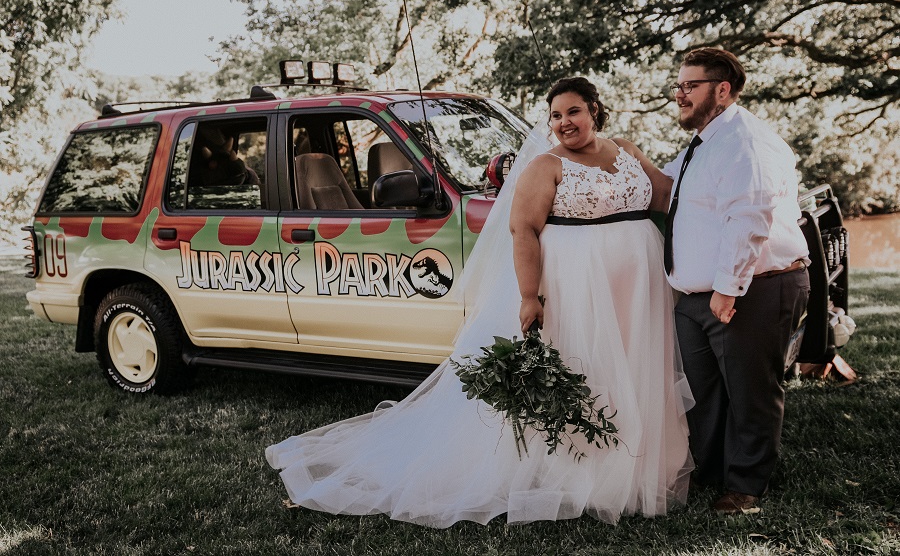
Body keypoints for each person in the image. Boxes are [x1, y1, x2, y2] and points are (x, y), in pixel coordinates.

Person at [265, 77, 694, 528]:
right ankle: (579, 468)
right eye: (556, 115)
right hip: (576, 287)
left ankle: (639, 460)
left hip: (636, 284)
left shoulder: (626, 149)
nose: (565, 122)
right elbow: (523, 230)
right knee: (588, 365)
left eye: (574, 111)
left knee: (634, 363)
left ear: (595, 110)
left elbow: (667, 195)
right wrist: (530, 296)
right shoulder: (544, 167)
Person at [661, 48, 811, 515]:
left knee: (750, 390)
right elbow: (665, 189)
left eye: (690, 85)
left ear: (721, 89)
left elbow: (750, 217)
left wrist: (727, 289)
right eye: (679, 85)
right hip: (697, 295)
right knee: (704, 392)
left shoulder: (745, 141)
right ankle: (712, 469)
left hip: (753, 287)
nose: (679, 94)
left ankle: (746, 486)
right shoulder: (702, 143)